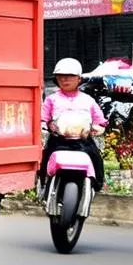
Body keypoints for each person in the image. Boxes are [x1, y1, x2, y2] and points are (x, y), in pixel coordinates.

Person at [39, 57, 106, 192]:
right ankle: (43, 184)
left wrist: (96, 128)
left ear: (79, 79)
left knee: (95, 158)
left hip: (82, 142)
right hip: (58, 141)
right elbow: (43, 120)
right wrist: (47, 127)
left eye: (69, 76)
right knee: (45, 159)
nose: (64, 80)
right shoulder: (51, 99)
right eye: (60, 76)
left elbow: (100, 122)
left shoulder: (88, 100)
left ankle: (96, 185)